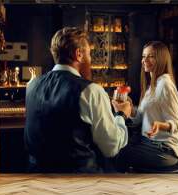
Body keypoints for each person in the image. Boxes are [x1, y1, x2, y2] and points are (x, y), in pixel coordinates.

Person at [24, 27, 131, 173]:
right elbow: (111, 148)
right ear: (79, 54)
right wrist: (121, 115)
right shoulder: (91, 91)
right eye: (89, 54)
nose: (91, 60)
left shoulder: (31, 86)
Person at [113, 41, 178, 173]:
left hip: (164, 149)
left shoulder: (165, 85)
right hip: (147, 143)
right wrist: (127, 106)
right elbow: (139, 118)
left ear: (161, 59)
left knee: (118, 153)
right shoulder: (152, 85)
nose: (145, 60)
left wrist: (161, 125)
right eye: (143, 56)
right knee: (115, 147)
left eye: (150, 56)